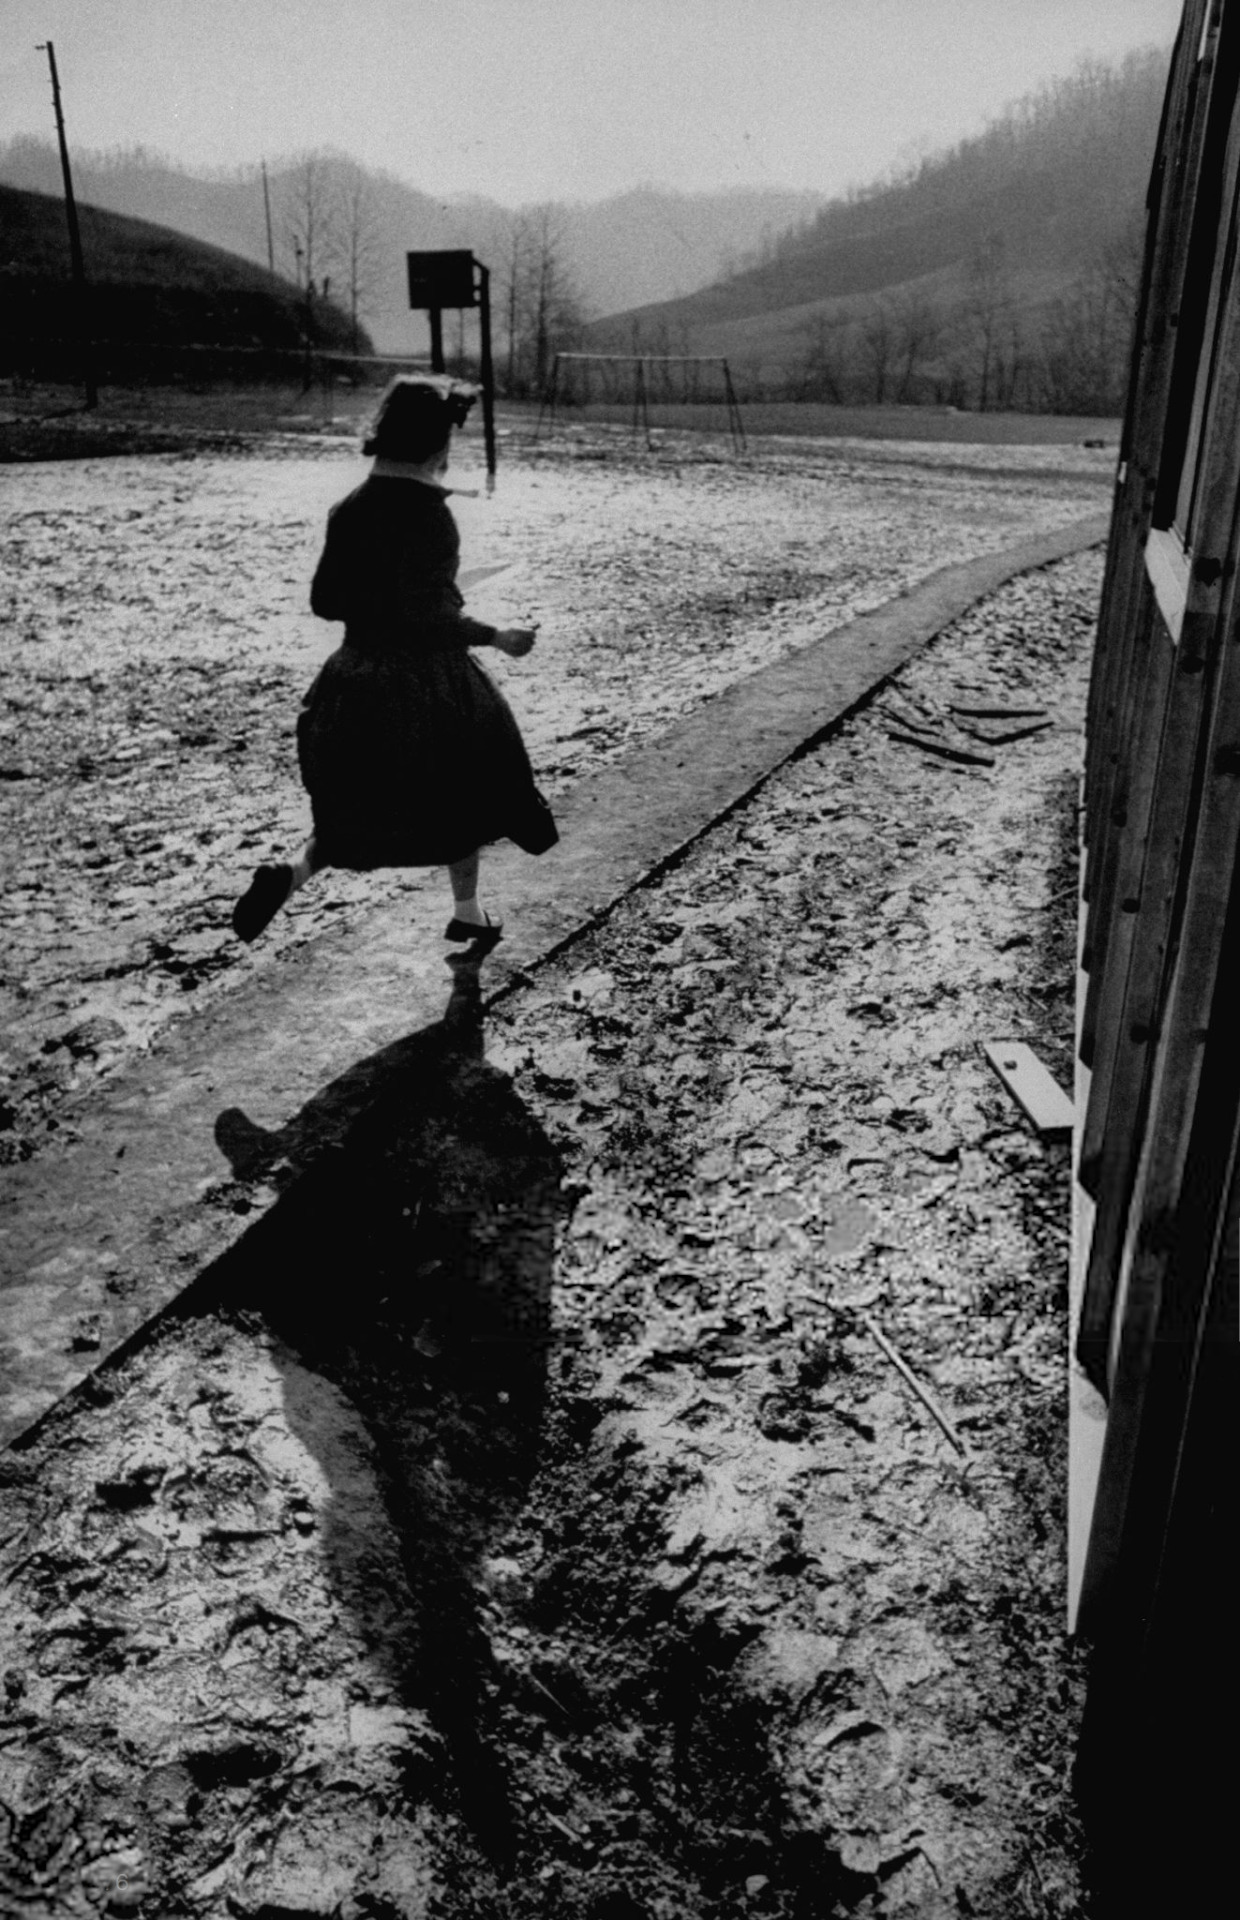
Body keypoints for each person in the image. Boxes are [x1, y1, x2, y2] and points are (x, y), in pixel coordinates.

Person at [231, 375, 557, 950]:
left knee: (353, 804)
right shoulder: (433, 516)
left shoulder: (348, 508)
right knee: (470, 789)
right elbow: (430, 621)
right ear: (437, 446)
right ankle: (467, 910)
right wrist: (496, 634)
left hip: (353, 677)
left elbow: (325, 601)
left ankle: (292, 874)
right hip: (425, 681)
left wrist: (390, 600)